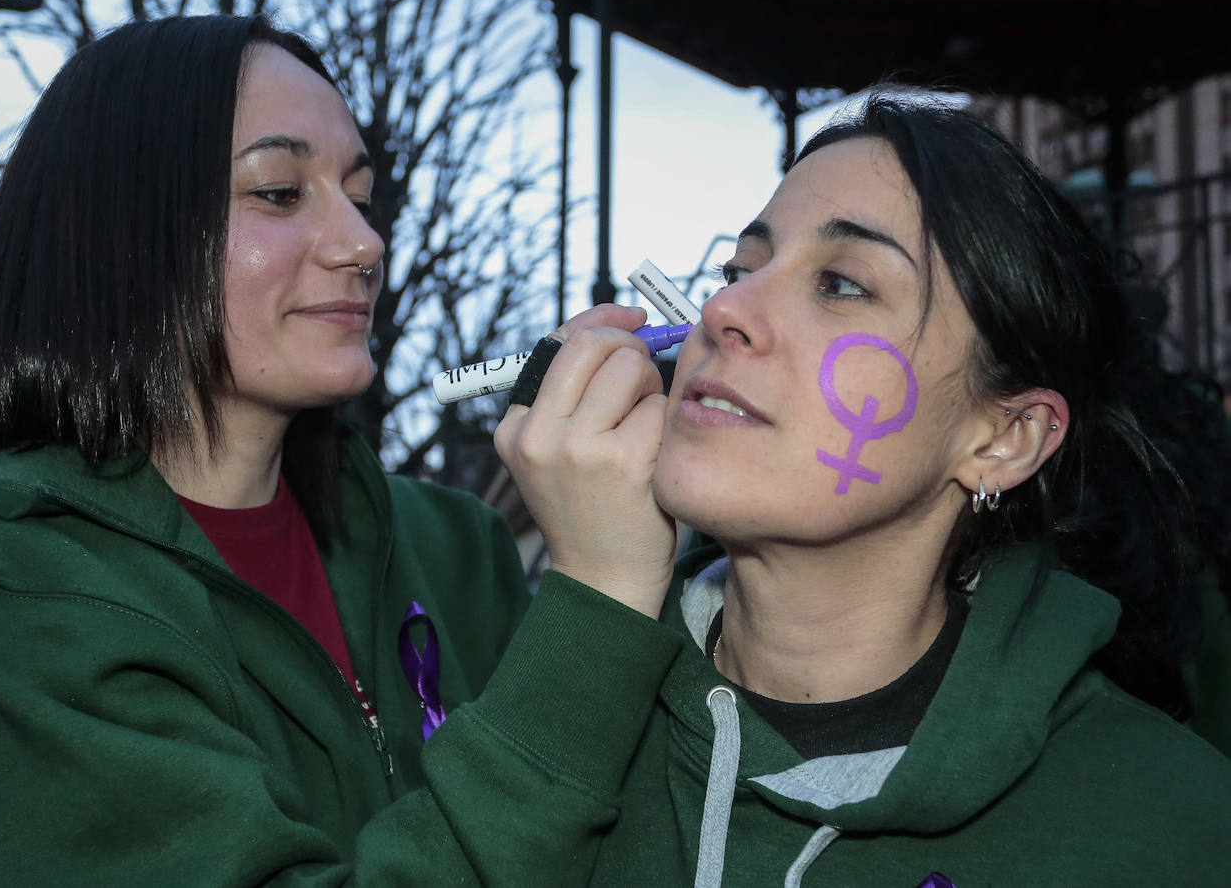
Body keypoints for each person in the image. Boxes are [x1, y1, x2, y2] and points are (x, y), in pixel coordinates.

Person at [0, 14, 616, 885]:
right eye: (279, 192)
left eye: (360, 198)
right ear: (121, 232)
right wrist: (597, 606)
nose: (365, 243)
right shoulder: (5, 588)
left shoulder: (453, 548)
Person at [495, 93, 1231, 885]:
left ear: (1003, 438)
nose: (723, 307)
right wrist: (595, 603)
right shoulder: (542, 713)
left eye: (842, 284)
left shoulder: (1172, 829)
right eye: (739, 269)